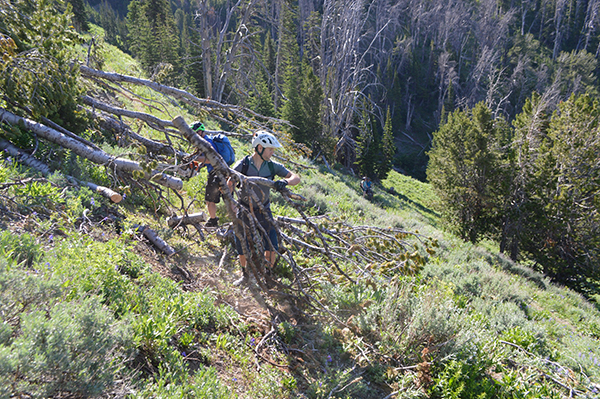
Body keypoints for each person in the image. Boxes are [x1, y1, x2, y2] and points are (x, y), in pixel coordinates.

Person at [229, 131, 300, 286]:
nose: (272, 152)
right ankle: (245, 275)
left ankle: (268, 275)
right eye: (270, 149)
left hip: (264, 209)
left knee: (272, 243)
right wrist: (232, 203)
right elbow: (230, 182)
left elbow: (296, 177)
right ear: (259, 148)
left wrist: (285, 182)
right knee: (242, 242)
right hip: (244, 208)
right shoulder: (244, 164)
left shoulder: (272, 165)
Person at [190, 121, 224, 228]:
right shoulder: (207, 141)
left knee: (209, 200)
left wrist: (195, 158)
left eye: (195, 133)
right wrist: (201, 165)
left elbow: (212, 159)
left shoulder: (207, 142)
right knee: (227, 198)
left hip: (215, 173)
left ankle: (213, 222)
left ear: (200, 131)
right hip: (222, 172)